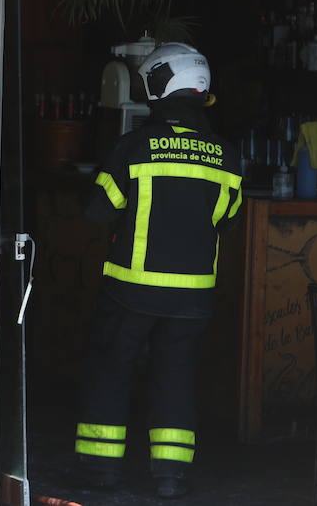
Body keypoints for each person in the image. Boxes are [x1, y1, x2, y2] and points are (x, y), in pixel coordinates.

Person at [75, 42, 243, 499]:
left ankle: (101, 473)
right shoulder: (226, 157)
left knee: (112, 371)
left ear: (158, 86)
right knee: (177, 378)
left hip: (131, 291)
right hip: (192, 299)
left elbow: (98, 212)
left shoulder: (133, 148)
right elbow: (229, 219)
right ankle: (170, 478)